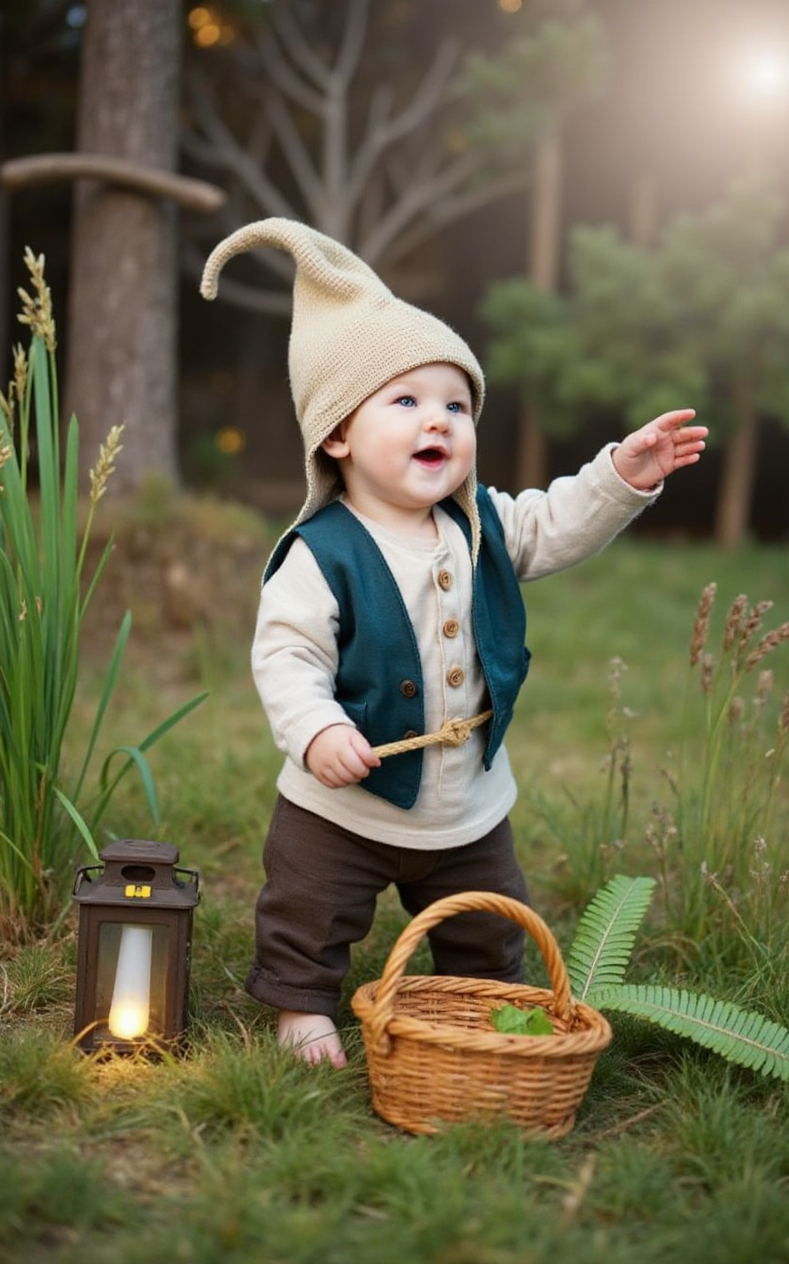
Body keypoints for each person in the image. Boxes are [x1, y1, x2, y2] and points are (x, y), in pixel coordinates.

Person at [201, 218, 708, 1068]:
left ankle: (481, 998)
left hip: (467, 803)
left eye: (456, 404)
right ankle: (300, 1006)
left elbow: (554, 525)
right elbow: (287, 658)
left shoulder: (483, 523)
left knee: (486, 919)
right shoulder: (319, 553)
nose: (439, 420)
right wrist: (317, 730)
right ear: (336, 434)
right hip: (344, 804)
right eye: (406, 401)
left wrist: (621, 475)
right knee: (309, 906)